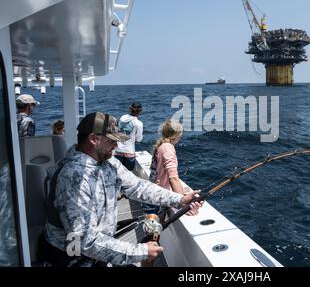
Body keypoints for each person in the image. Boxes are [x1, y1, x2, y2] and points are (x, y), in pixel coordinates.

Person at [41, 112, 202, 267]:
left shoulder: (108, 162)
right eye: (111, 141)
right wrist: (140, 252)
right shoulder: (73, 177)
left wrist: (179, 199)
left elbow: (138, 187)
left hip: (98, 251)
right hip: (71, 257)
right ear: (93, 139)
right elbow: (84, 240)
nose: (117, 146)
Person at [114, 102, 144, 171]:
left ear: (130, 109)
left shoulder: (122, 118)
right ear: (140, 111)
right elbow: (139, 139)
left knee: (118, 173)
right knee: (128, 175)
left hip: (118, 150)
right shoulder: (139, 124)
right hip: (129, 152)